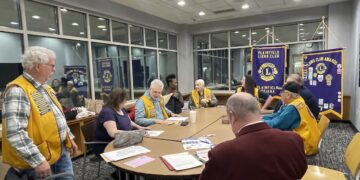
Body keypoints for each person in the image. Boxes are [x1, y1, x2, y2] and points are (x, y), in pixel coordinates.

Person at [2, 46, 77, 179]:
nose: (54, 69)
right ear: (38, 66)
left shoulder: (45, 88)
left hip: (58, 152)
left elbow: (56, 117)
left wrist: (69, 138)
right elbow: (15, 133)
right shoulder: (18, 90)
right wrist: (38, 161)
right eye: (51, 65)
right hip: (40, 160)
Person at [199, 93, 307, 180]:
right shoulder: (294, 139)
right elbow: (301, 171)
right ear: (258, 110)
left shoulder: (222, 153)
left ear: (232, 116)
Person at [262, 82, 321, 155]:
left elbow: (276, 124)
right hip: (310, 139)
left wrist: (259, 122)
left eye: (281, 92)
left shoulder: (292, 108)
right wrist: (261, 118)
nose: (280, 95)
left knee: (267, 136)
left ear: (288, 95)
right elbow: (277, 115)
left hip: (305, 145)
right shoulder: (298, 100)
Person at [93, 88, 148, 155]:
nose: (125, 102)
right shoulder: (107, 112)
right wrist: (133, 133)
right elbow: (113, 133)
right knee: (140, 152)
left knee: (144, 147)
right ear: (118, 101)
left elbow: (129, 121)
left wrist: (139, 127)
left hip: (123, 140)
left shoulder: (121, 109)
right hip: (108, 145)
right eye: (124, 100)